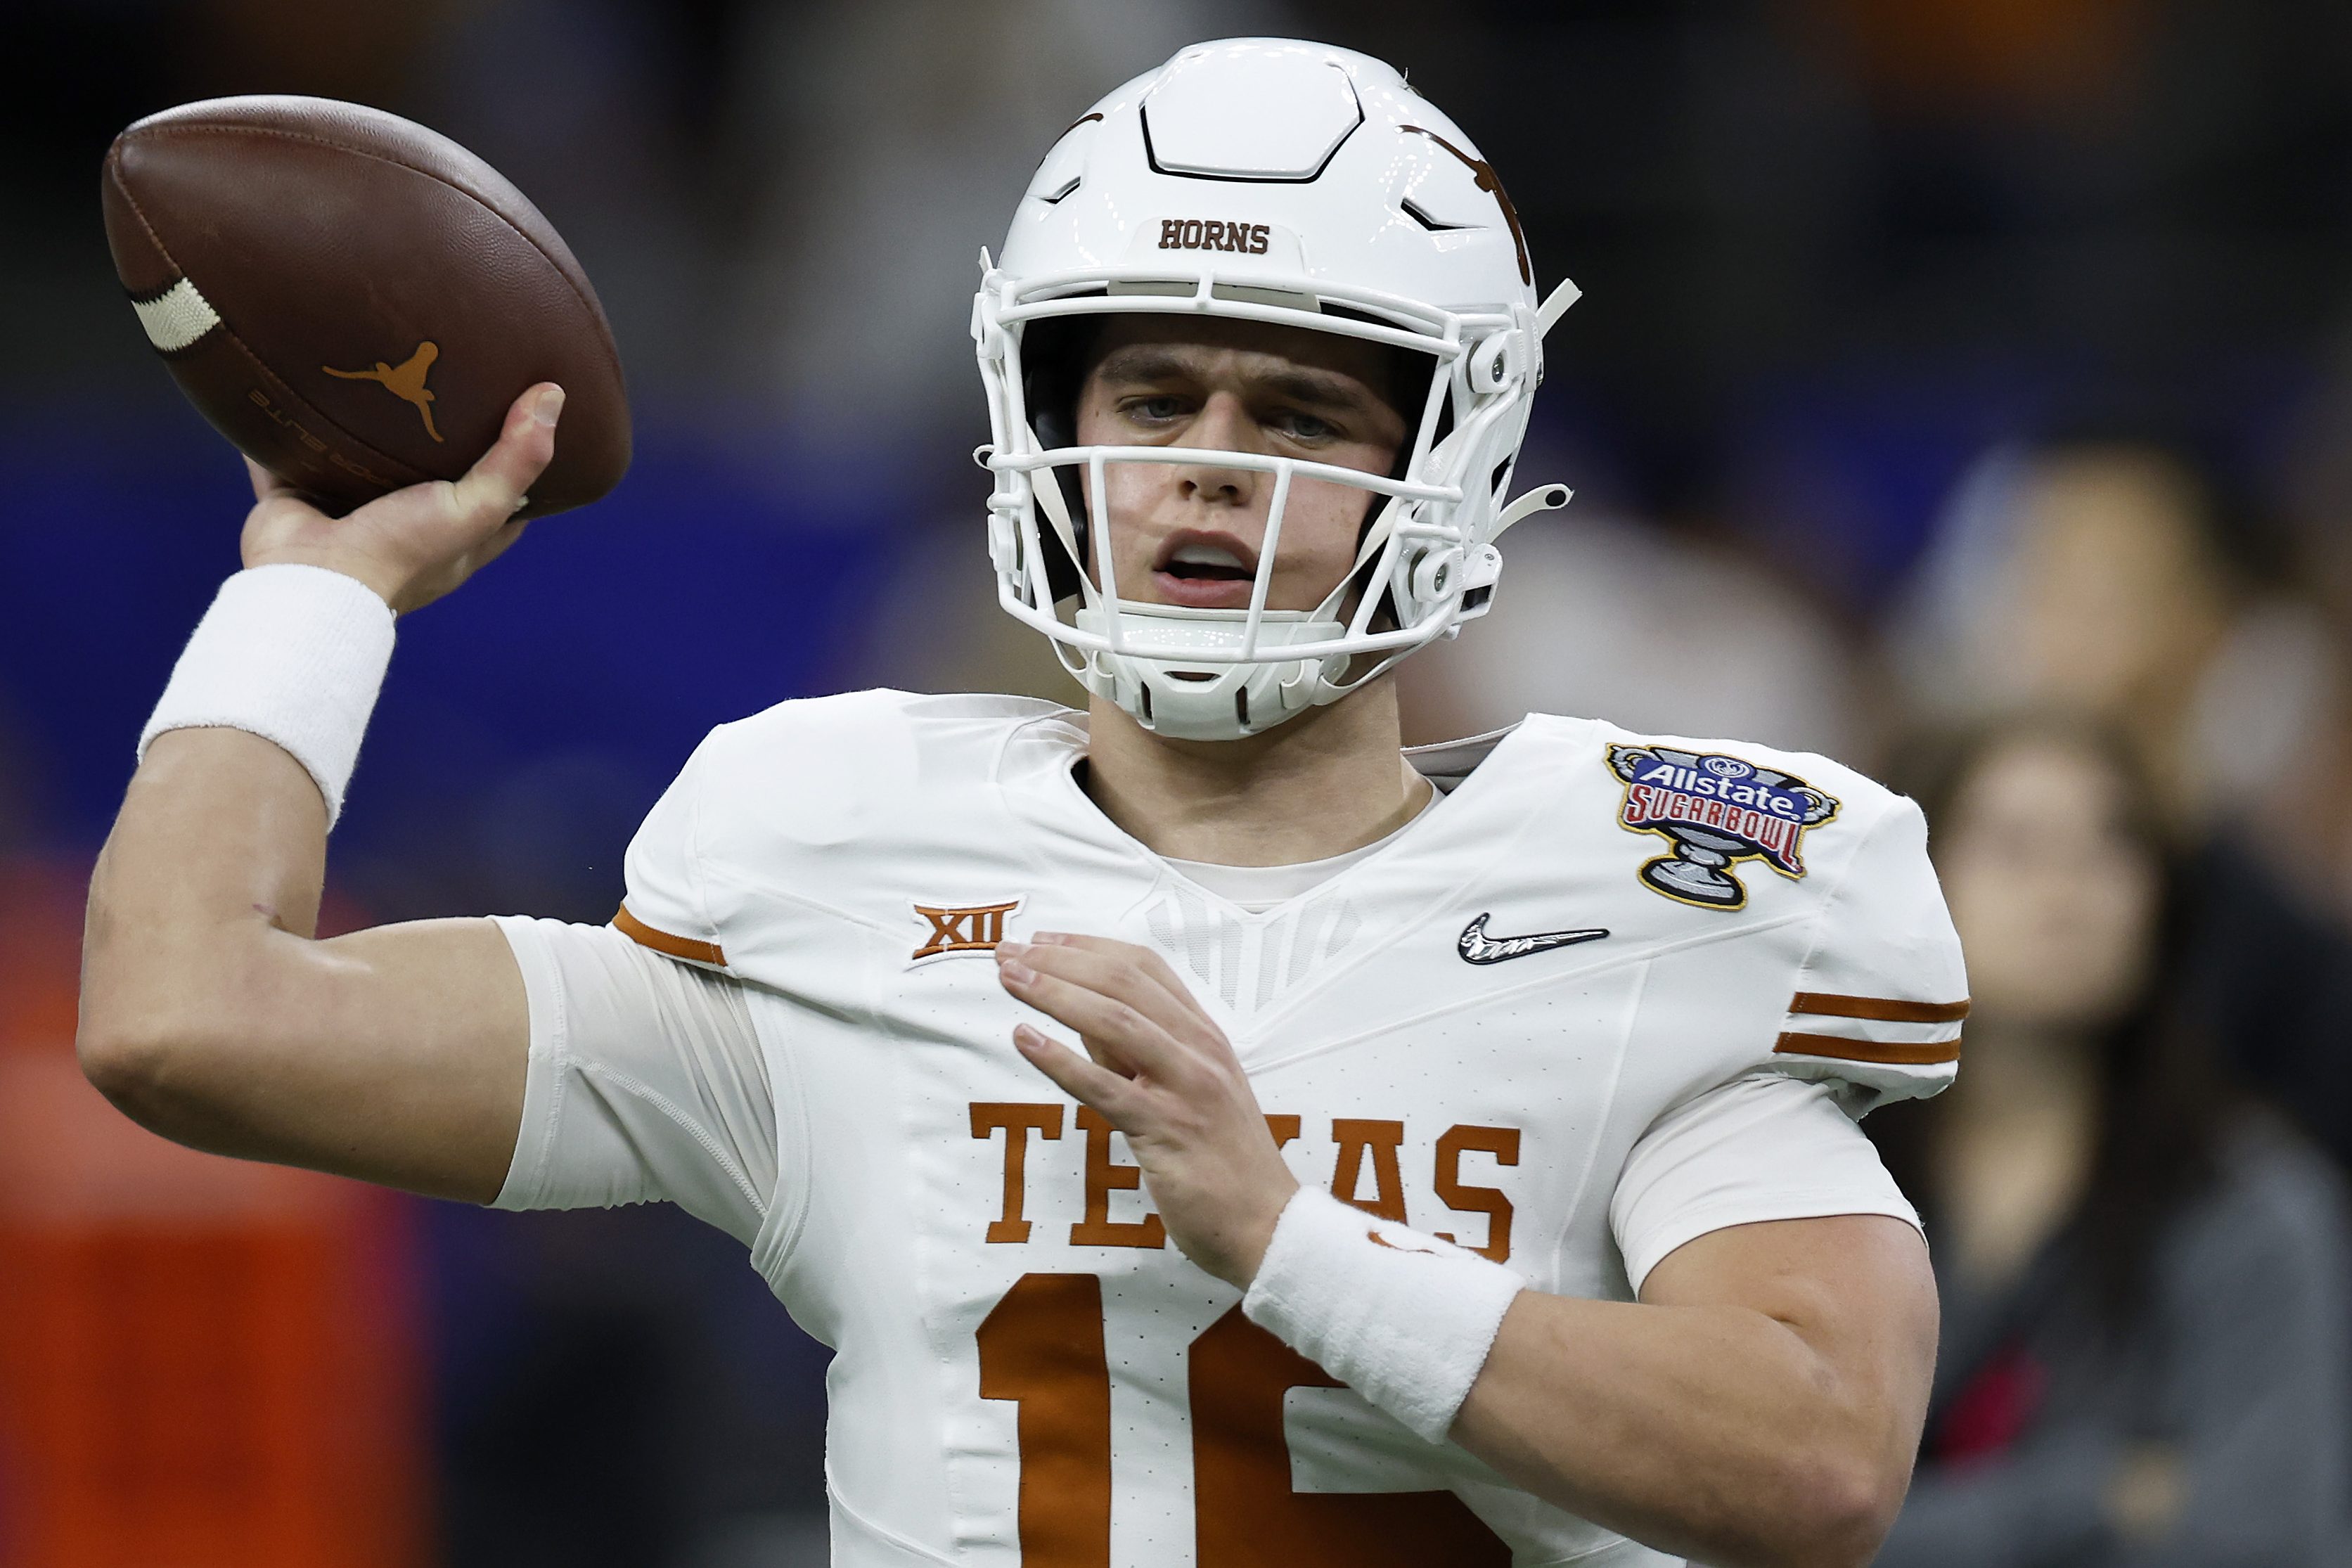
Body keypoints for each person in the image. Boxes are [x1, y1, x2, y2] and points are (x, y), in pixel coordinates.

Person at [77, 41, 1963, 1568]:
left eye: (1298, 415)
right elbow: (188, 1015)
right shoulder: (840, 861)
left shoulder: (1646, 892)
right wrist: (313, 591)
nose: (1207, 467)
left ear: (1452, 456)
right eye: (1151, 398)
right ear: (1045, 428)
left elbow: (1814, 1466)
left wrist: (1284, 1235)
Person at [1868, 719, 2351, 1566]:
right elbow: (1735, 1525)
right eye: (2015, 847)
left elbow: (2263, 1540)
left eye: (2112, 847)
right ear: (1908, 885)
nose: (2068, 891)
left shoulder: (2252, 1207)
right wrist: (2083, 1496)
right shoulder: (1819, 1173)